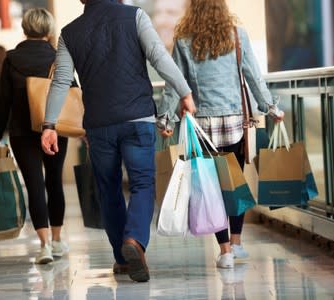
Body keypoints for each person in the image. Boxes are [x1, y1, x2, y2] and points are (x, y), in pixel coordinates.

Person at [40, 0, 194, 282]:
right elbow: (159, 57)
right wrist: (184, 93)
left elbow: (61, 80)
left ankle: (123, 259)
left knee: (108, 189)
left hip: (99, 126)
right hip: (138, 118)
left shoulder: (69, 33)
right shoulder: (134, 16)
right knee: (143, 184)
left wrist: (49, 125)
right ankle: (134, 239)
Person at [158, 0, 285, 269]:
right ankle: (237, 243)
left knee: (210, 189)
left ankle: (224, 250)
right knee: (234, 183)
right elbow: (253, 76)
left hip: (202, 125)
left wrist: (165, 117)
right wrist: (271, 108)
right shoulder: (237, 36)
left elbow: (174, 83)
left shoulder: (183, 40)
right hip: (234, 122)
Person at [0, 8, 70, 265]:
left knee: (34, 184)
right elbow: (72, 90)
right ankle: (58, 240)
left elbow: (3, 101)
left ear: (25, 29)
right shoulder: (58, 55)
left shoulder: (11, 59)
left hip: (21, 132)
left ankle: (45, 245)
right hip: (54, 128)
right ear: (48, 30)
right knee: (54, 182)